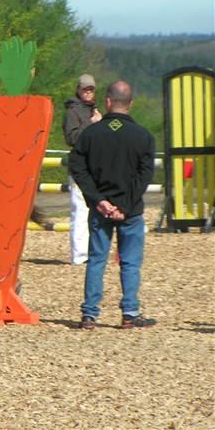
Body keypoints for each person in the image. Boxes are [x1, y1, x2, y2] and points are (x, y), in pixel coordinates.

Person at [68, 81, 157, 330]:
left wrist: (99, 200)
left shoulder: (90, 135)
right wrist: (125, 206)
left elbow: (77, 167)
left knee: (96, 260)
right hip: (131, 210)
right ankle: (130, 313)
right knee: (129, 262)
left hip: (100, 210)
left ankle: (89, 315)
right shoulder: (144, 137)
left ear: (107, 102)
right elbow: (144, 176)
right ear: (131, 103)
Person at [62, 74, 102, 264]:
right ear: (78, 90)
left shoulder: (94, 110)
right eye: (85, 89)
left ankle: (92, 250)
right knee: (79, 210)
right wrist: (93, 124)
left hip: (95, 166)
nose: (88, 92)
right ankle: (79, 255)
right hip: (79, 167)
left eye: (91, 89)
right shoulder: (72, 111)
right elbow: (71, 138)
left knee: (95, 210)